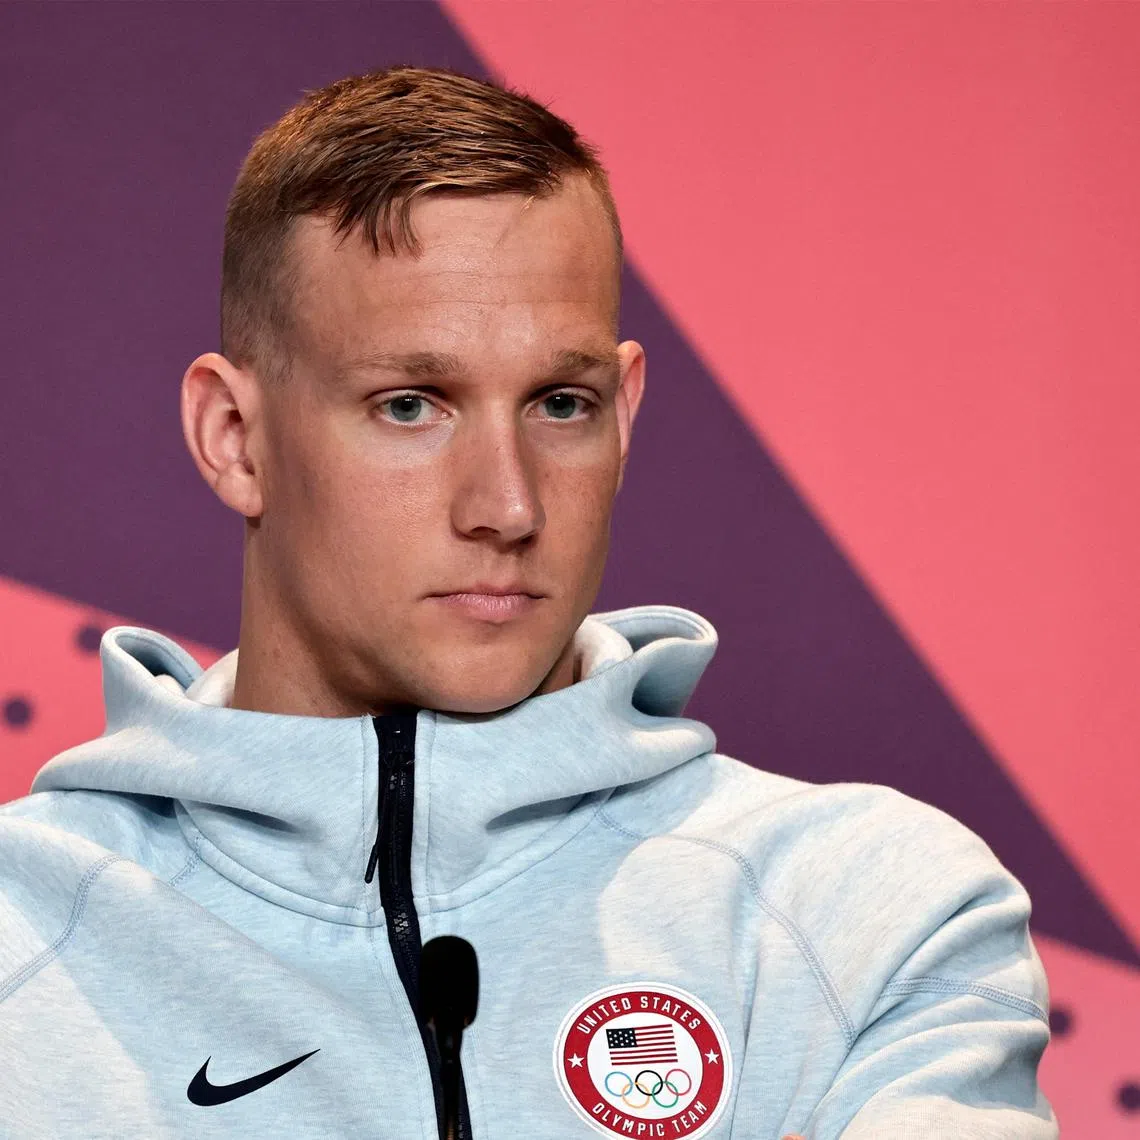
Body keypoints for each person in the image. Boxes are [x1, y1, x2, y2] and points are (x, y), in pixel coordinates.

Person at [0, 66, 1057, 1139]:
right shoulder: (17, 933)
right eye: (410, 405)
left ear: (626, 411)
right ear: (234, 437)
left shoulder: (872, 912)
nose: (507, 505)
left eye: (562, 403)